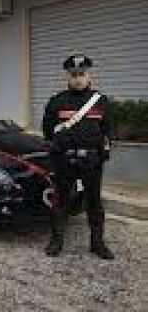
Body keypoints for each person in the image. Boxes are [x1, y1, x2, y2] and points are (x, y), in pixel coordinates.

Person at [42, 54, 114, 260]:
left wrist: (102, 155)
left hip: (91, 161)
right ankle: (56, 242)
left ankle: (97, 243)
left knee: (94, 203)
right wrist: (59, 150)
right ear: (67, 77)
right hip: (65, 161)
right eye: (73, 75)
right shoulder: (57, 101)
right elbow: (48, 131)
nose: (78, 79)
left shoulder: (100, 101)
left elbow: (107, 131)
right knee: (61, 202)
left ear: (89, 76)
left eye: (82, 74)